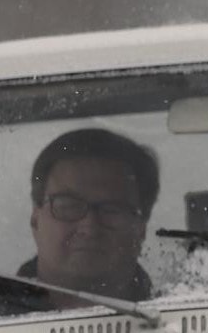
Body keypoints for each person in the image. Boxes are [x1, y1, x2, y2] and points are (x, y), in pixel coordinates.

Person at [20, 127, 159, 300]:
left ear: (141, 229)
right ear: (35, 220)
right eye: (69, 206)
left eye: (111, 210)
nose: (90, 228)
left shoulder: (178, 315)